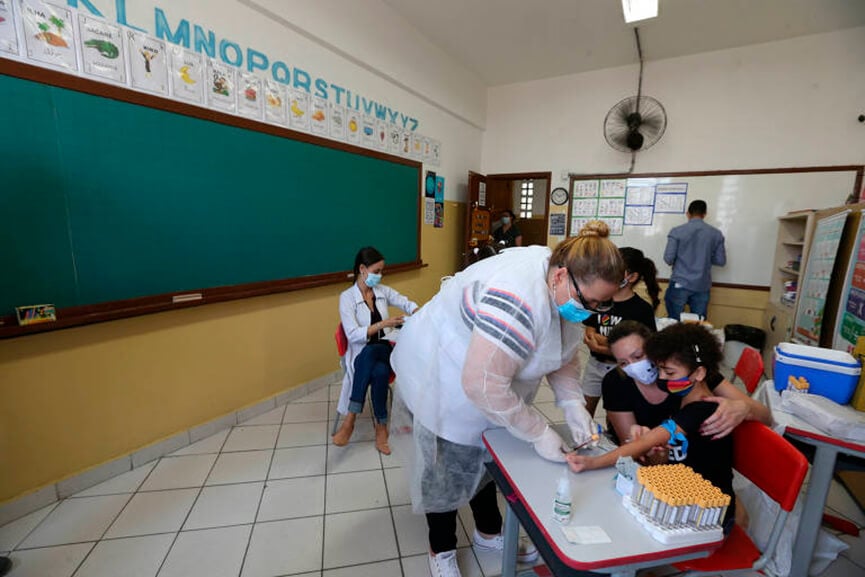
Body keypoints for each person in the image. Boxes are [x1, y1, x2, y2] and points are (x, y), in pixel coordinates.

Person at [390, 221, 625, 577]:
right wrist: (538, 431)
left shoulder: (565, 286)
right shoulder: (516, 298)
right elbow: (482, 386)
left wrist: (573, 404)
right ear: (561, 276)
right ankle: (441, 548)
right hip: (444, 373)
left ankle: (488, 532)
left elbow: (561, 353)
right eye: (588, 301)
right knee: (446, 465)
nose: (590, 310)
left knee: (488, 454)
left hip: (487, 373)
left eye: (600, 304)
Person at [568, 323, 737, 533]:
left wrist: (592, 463)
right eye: (660, 370)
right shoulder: (683, 399)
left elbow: (649, 441)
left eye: (669, 372)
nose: (662, 378)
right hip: (682, 498)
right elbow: (672, 455)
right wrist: (657, 456)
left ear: (699, 373)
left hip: (707, 515)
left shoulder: (703, 408)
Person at [601, 320, 771, 449]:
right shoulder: (616, 382)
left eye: (638, 356)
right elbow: (631, 448)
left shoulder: (691, 371)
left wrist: (743, 408)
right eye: (623, 363)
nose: (634, 367)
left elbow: (766, 417)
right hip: (652, 463)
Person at [334, 246, 418, 454]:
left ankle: (350, 418)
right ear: (362, 269)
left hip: (385, 348)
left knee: (373, 353)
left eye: (382, 272)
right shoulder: (346, 298)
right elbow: (353, 334)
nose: (380, 276)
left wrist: (418, 312)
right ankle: (381, 428)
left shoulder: (382, 292)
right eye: (377, 271)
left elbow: (404, 302)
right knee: (379, 371)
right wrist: (383, 323)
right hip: (361, 354)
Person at [582, 247, 660, 416]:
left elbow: (645, 348)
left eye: (614, 270)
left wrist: (604, 344)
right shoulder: (601, 300)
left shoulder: (641, 309)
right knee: (584, 412)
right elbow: (590, 329)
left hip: (623, 370)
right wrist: (594, 339)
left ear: (632, 277)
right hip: (594, 366)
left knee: (616, 414)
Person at [663, 200, 726, 320]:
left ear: (688, 213)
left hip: (679, 282)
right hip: (702, 285)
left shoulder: (677, 231)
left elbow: (668, 258)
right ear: (704, 214)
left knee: (673, 322)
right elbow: (720, 261)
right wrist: (705, 256)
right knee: (697, 325)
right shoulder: (716, 234)